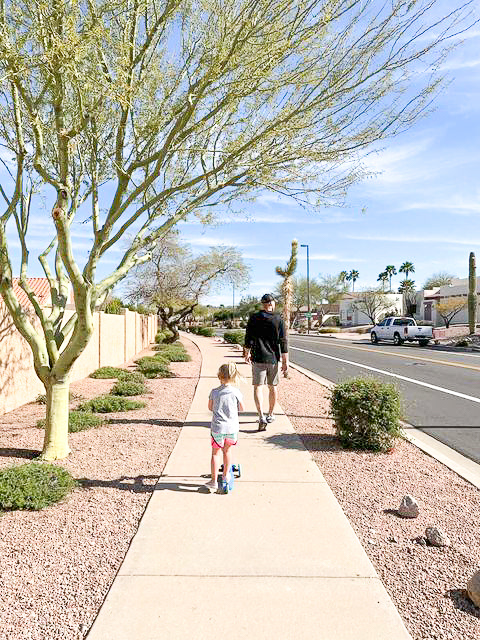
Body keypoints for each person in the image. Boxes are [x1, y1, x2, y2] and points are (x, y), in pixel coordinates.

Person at [244, 293, 288, 430]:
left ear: (263, 304)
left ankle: (261, 416)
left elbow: (248, 337)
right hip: (273, 359)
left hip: (258, 358)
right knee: (272, 387)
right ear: (272, 304)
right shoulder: (278, 319)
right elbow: (283, 341)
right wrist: (285, 361)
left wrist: (247, 352)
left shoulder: (254, 318)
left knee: (258, 387)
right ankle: (270, 414)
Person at [206, 363, 244, 492]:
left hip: (217, 428)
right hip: (231, 428)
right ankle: (226, 475)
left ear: (219, 376)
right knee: (227, 451)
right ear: (233, 376)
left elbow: (210, 408)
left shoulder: (214, 392)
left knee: (215, 453)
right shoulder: (236, 392)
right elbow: (242, 408)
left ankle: (213, 481)